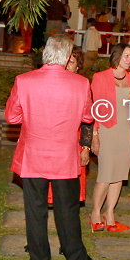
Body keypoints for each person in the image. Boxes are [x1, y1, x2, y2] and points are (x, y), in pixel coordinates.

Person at [5, 35, 105, 260]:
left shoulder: (24, 80)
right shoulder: (81, 83)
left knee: (35, 211)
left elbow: (12, 117)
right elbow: (87, 117)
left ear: (45, 54)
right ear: (67, 56)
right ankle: (75, 257)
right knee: (68, 210)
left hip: (33, 156)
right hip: (64, 157)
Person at [90, 43, 130, 232]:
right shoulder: (101, 77)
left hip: (127, 131)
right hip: (107, 129)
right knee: (105, 173)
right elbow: (95, 108)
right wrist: (95, 135)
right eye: (126, 56)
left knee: (119, 174)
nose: (129, 60)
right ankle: (95, 212)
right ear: (117, 55)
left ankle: (110, 212)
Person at [47, 48, 90, 206]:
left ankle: (66, 205)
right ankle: (50, 199)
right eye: (64, 62)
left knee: (71, 180)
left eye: (71, 62)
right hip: (53, 138)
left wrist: (85, 147)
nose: (66, 66)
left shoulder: (83, 85)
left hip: (74, 139)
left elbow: (88, 120)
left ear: (78, 66)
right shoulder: (52, 84)